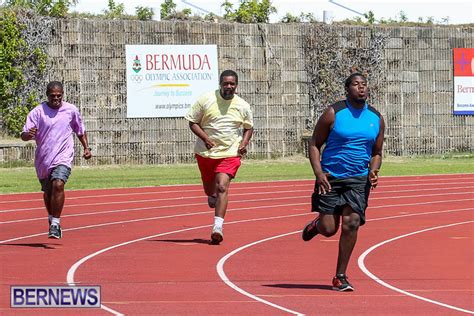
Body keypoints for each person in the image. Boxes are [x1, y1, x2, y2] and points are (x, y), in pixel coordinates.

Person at [302, 72, 385, 291]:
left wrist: (374, 170)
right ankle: (316, 225)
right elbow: (314, 143)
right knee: (329, 229)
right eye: (356, 84)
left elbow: (377, 152)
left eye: (364, 84)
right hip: (330, 177)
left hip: (358, 179)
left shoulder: (376, 118)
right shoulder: (334, 113)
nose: (361, 88)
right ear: (347, 90)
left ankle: (340, 276)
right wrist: (318, 172)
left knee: (352, 223)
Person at [185, 70, 253, 245]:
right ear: (220, 83)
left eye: (232, 84)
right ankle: (211, 195)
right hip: (206, 153)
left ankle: (218, 227)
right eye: (225, 83)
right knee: (210, 190)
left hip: (229, 153)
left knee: (222, 187)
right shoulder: (206, 99)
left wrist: (244, 143)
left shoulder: (242, 105)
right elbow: (192, 122)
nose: (228, 86)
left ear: (236, 85)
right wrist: (205, 138)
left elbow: (248, 127)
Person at [21, 81, 92, 239]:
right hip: (44, 159)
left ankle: (55, 224)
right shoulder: (38, 112)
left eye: (59, 96)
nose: (56, 99)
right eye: (53, 96)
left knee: (58, 184)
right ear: (47, 95)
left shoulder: (70, 110)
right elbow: (24, 134)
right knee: (48, 192)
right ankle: (51, 218)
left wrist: (87, 148)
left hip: (63, 156)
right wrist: (28, 134)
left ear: (62, 95)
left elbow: (80, 130)